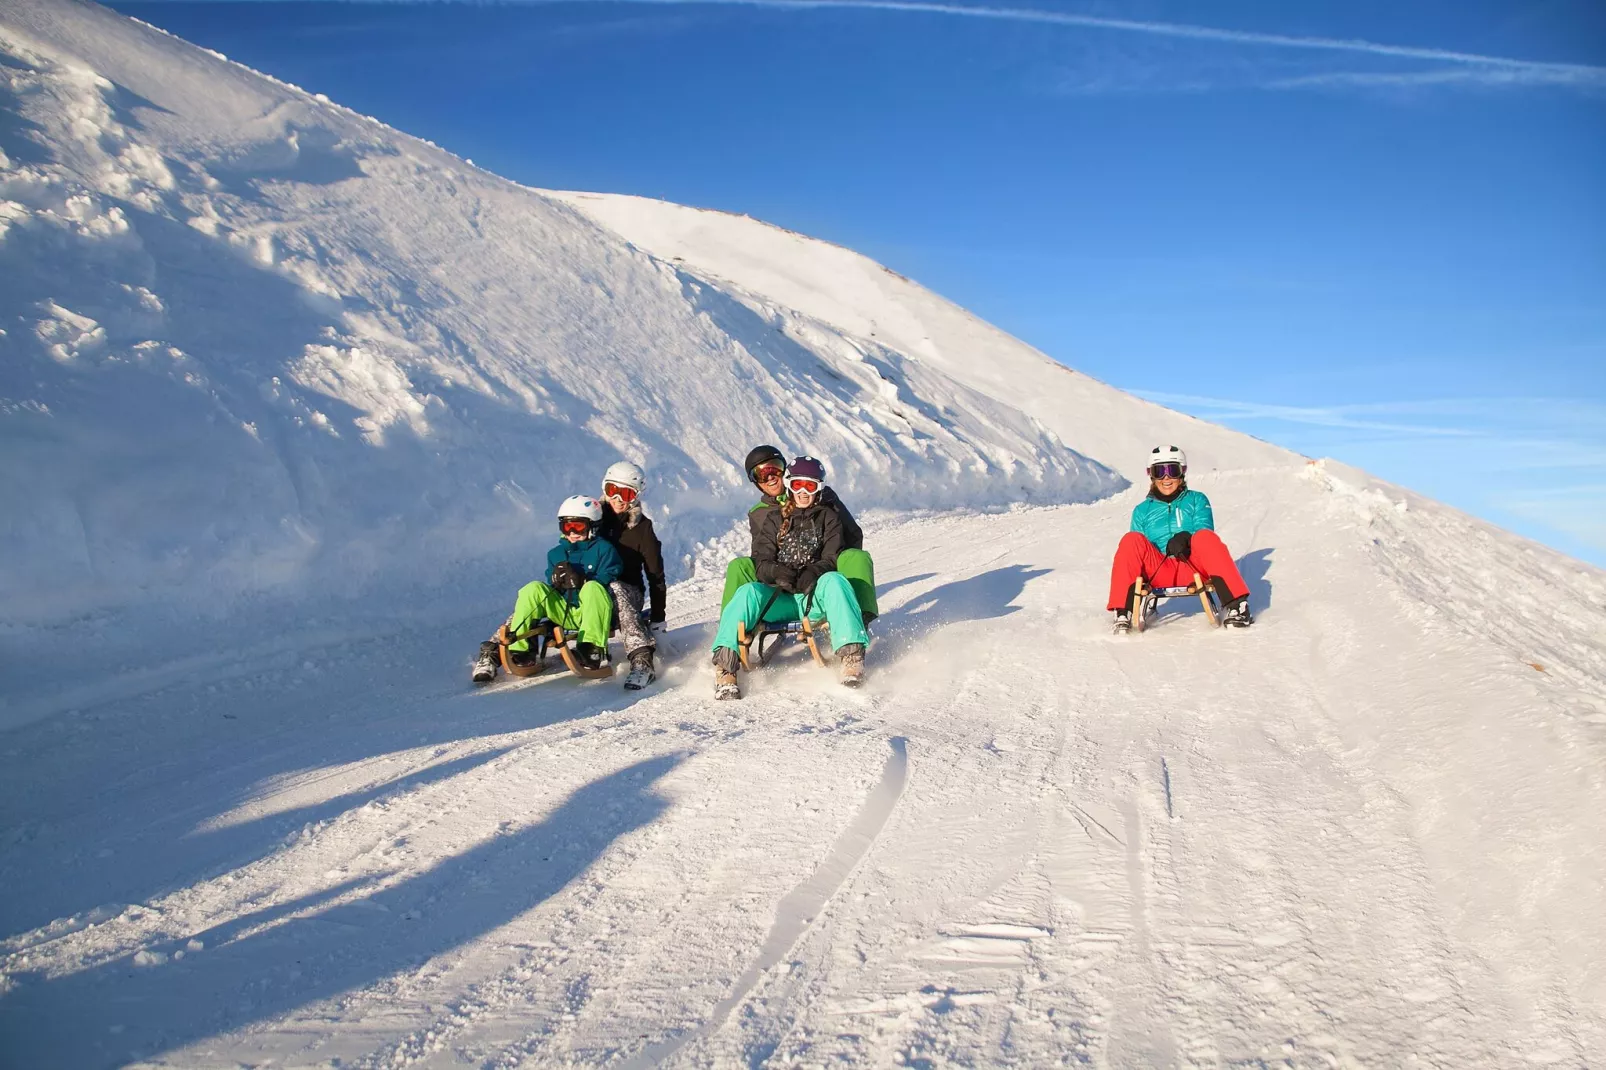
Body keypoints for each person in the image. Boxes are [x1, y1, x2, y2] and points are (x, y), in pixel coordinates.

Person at [711, 456, 870, 698]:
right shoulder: (774, 519)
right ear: (790, 485)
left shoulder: (829, 518)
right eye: (798, 485)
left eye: (810, 486)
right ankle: (725, 669)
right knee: (748, 592)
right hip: (779, 600)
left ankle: (851, 656)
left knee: (835, 581)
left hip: (812, 600)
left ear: (819, 488)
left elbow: (831, 558)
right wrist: (776, 572)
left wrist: (814, 572)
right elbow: (761, 561)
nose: (804, 492)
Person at [472, 495, 623, 683]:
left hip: (591, 611)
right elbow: (552, 587)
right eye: (568, 527)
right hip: (563, 611)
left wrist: (584, 580)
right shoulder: (555, 553)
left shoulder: (604, 549)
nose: (573, 532)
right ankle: (522, 649)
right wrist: (556, 580)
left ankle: (591, 649)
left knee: (593, 588)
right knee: (533, 588)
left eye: (579, 526)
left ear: (592, 526)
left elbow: (611, 575)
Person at [720, 444, 878, 622]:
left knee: (857, 557)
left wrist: (834, 569)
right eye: (761, 474)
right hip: (783, 576)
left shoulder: (816, 493)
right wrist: (775, 574)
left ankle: (858, 616)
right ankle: (731, 626)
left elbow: (852, 533)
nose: (770, 477)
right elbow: (760, 552)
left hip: (823, 568)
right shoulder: (759, 512)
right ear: (755, 481)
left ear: (784, 468)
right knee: (738, 566)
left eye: (774, 468)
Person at [1108, 445, 1253, 632]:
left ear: (1182, 472)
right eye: (1159, 471)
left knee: (1205, 538)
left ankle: (1237, 607)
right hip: (1159, 570)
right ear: (1151, 475)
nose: (1166, 478)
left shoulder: (1197, 500)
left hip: (1193, 567)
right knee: (1131, 540)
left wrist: (1186, 537)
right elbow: (1135, 554)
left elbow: (1204, 528)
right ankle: (1122, 612)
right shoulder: (1142, 510)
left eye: (1172, 470)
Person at [597, 461, 665, 689]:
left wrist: (657, 617)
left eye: (625, 493)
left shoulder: (642, 528)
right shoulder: (592, 518)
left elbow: (655, 575)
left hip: (629, 592)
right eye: (612, 491)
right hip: (595, 592)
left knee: (615, 587)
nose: (617, 499)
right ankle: (501, 646)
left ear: (636, 496)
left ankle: (642, 660)